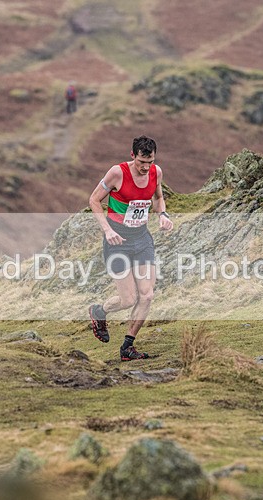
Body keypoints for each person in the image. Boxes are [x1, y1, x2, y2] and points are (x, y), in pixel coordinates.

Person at [87, 135, 173, 361]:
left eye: (150, 162)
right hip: (118, 242)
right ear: (132, 155)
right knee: (128, 300)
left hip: (142, 239)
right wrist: (107, 230)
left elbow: (159, 197)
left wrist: (163, 215)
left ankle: (127, 347)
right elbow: (94, 200)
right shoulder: (117, 173)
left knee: (147, 295)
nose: (146, 167)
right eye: (141, 162)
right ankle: (99, 311)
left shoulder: (156, 172)